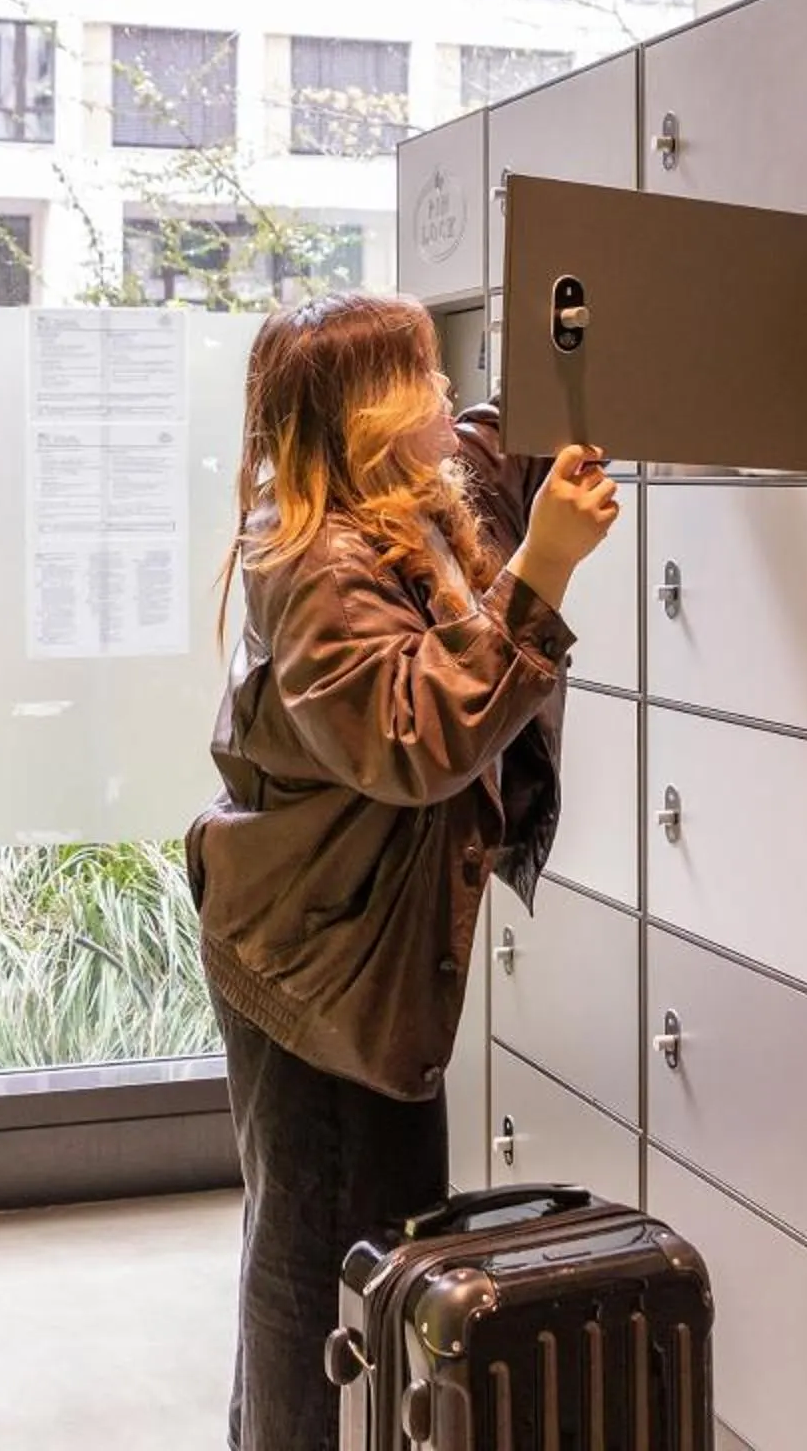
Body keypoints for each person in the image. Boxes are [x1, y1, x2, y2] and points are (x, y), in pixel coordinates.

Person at [188, 290, 621, 1451]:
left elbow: (485, 450)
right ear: (365, 414)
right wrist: (540, 572)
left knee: (343, 1251)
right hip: (320, 972)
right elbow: (413, 733)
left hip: (333, 945)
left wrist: (576, 341)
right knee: (321, 1271)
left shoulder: (389, 501)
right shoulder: (314, 558)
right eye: (421, 379)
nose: (443, 397)